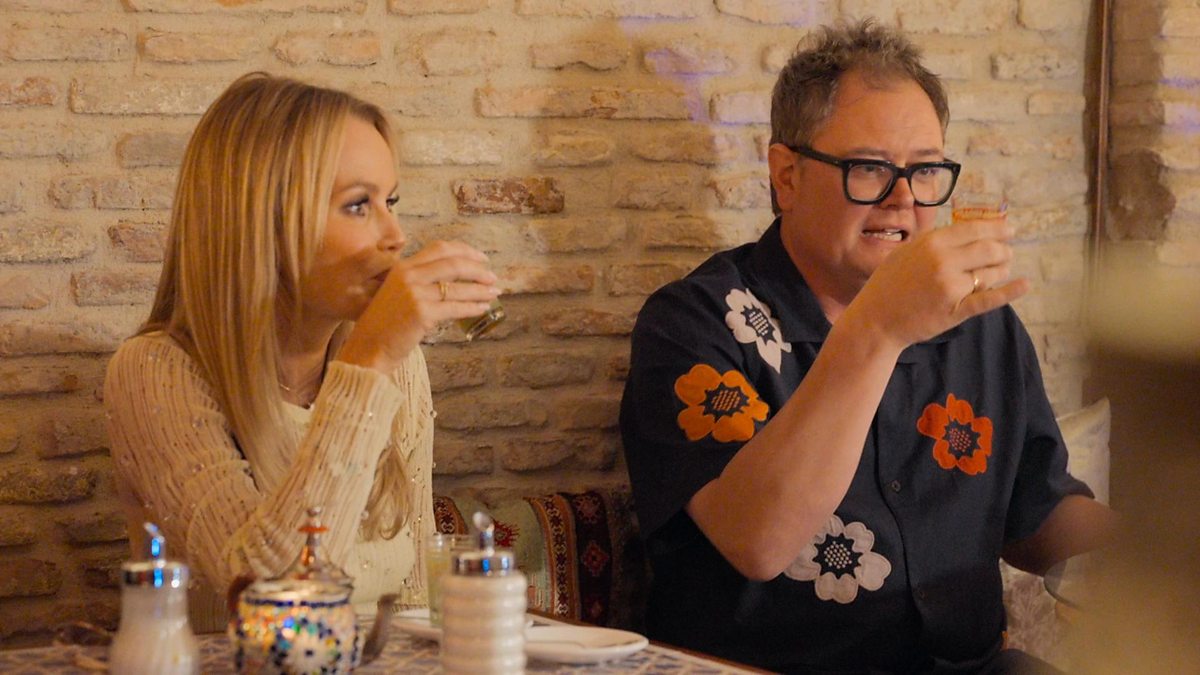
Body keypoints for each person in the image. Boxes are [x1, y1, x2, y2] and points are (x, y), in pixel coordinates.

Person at [619, 20, 1117, 673]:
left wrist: (1162, 551)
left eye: (925, 170)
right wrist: (879, 326)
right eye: (870, 168)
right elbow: (758, 539)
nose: (903, 199)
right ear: (786, 175)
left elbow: (1037, 511)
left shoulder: (981, 324)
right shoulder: (697, 323)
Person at [104, 73, 500, 632]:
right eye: (358, 205)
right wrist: (366, 362)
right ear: (261, 221)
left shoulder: (399, 365)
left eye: (390, 201)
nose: (396, 235)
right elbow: (271, 594)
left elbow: (410, 599)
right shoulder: (157, 370)